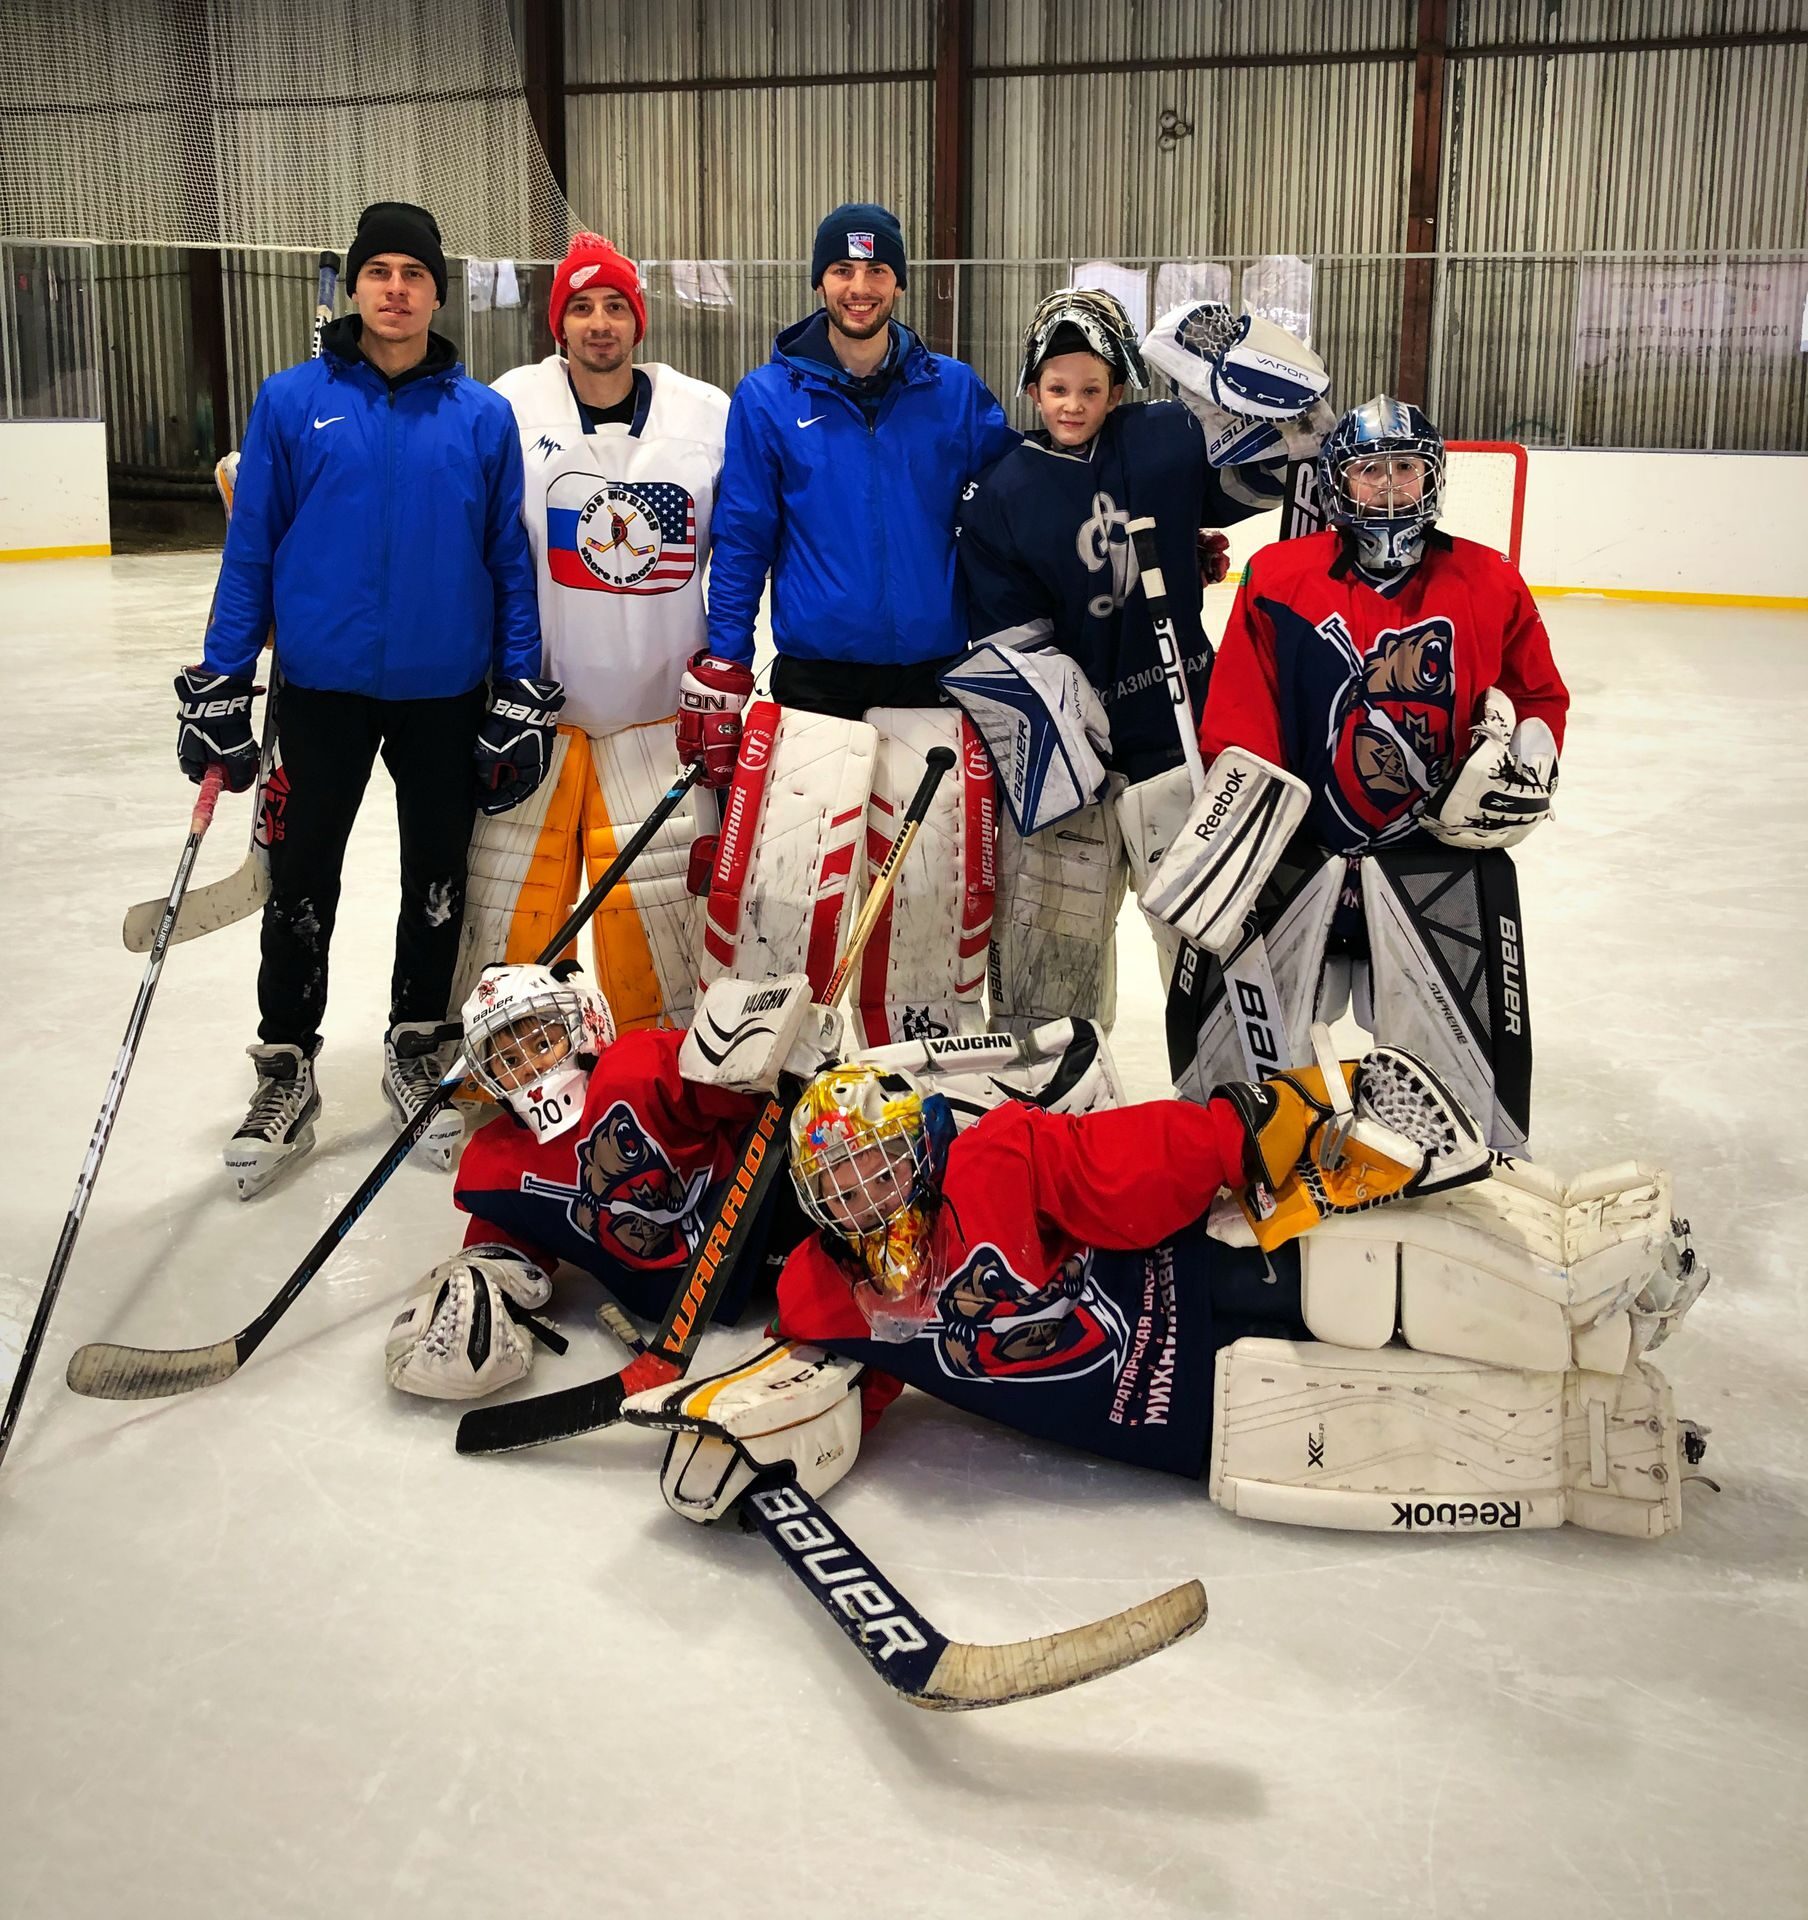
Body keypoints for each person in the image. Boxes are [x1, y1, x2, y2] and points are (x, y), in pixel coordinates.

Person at [622, 1061, 1707, 1543]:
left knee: (1379, 1289)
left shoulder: (994, 1156)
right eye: (840, 1187)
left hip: (1203, 1284)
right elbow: (825, 1385)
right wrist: (736, 1430)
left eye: (878, 1167)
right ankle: (1588, 1430)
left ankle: (1589, 1290)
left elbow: (1109, 1164)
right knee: (1400, 1421)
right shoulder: (825, 1293)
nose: (866, 1198)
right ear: (812, 1202)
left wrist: (1237, 1131)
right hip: (1191, 1424)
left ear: (917, 1144)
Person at [181, 200, 552, 1198]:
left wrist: (517, 683)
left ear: (437, 293)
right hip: (320, 693)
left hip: (443, 694)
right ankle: (285, 1061)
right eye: (379, 271)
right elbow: (252, 544)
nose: (395, 288)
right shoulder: (292, 402)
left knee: (437, 878)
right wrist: (223, 679)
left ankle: (416, 1040)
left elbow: (506, 562)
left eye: (414, 274)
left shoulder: (480, 417)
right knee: (301, 881)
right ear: (354, 286)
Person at [382, 970, 1126, 1400]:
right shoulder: (496, 1161)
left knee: (879, 1133)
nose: (529, 1067)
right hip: (754, 1283)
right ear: (481, 1079)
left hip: (774, 1201)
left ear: (579, 1026)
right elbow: (511, 1243)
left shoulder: (635, 1067)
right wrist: (474, 1288)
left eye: (539, 1039)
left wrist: (771, 1058)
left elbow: (736, 1086)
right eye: (505, 1058)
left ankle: (1051, 1099)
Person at [1145, 396, 1569, 1149]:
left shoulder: (1488, 579)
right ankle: (1255, 1158)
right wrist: (1242, 827)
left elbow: (1537, 692)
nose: (1390, 486)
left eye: (1407, 469)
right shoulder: (1278, 576)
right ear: (1338, 484)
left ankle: (1441, 1168)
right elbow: (1242, 717)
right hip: (1299, 853)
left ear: (1433, 478)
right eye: (1370, 470)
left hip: (1432, 860)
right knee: (1250, 1075)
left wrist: (1534, 750)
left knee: (1444, 1080)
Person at [948, 289, 1333, 1031]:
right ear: (1031, 389)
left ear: (1119, 388)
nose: (1072, 403)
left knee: (1218, 963)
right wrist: (1062, 733)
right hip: (1068, 770)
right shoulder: (1003, 488)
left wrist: (1238, 378)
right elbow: (1008, 642)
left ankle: (1233, 1113)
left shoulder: (1164, 438)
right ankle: (1051, 1123)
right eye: (1056, 388)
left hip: (1178, 740)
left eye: (1092, 388)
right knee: (1047, 983)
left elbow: (1289, 452)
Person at [681, 203, 1018, 1048]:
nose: (859, 288)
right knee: (797, 891)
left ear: (899, 280)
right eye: (843, 270)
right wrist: (725, 660)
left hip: (931, 679)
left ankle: (914, 1053)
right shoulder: (766, 398)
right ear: (820, 280)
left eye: (876, 272)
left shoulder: (953, 391)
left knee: (927, 890)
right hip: (816, 682)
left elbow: (1024, 505)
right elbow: (746, 535)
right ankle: (797, 1050)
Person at [451, 235, 730, 1035]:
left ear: (637, 322)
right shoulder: (510, 404)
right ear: (559, 324)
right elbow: (480, 545)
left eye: (615, 306)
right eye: (581, 306)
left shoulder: (705, 413)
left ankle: (660, 1080)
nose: (599, 322)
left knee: (666, 929)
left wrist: (730, 664)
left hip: (663, 718)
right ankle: (499, 1073)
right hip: (539, 714)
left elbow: (746, 545)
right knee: (506, 912)